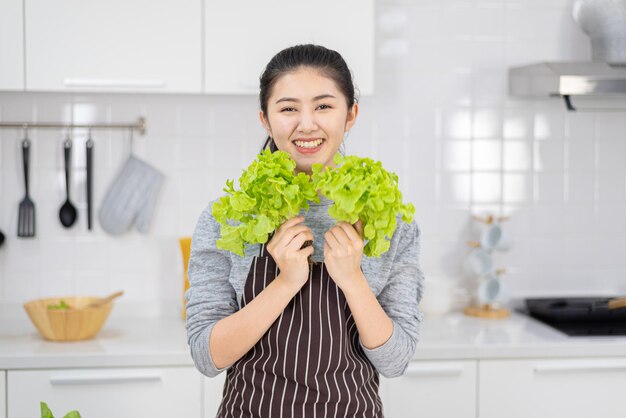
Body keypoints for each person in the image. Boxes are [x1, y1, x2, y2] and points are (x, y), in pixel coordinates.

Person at [186, 44, 424, 418]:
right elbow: (207, 355)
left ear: (351, 116)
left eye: (324, 106)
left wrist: (353, 280)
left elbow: (395, 361)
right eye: (288, 108)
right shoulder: (228, 216)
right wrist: (285, 283)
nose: (307, 124)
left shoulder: (386, 218)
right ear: (265, 119)